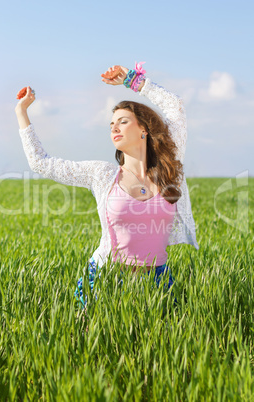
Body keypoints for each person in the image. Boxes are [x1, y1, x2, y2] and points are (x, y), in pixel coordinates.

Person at [15, 62, 199, 309]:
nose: (114, 127)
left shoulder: (167, 171)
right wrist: (21, 112)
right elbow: (41, 162)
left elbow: (174, 106)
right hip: (106, 280)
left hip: (157, 282)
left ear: (143, 129)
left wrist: (133, 81)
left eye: (123, 121)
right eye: (111, 124)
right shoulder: (102, 174)